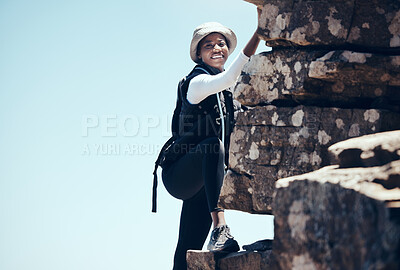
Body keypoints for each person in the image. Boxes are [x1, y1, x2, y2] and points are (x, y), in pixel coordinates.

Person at [160, 10, 261, 270]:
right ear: (199, 54)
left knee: (187, 249)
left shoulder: (232, 95)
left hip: (206, 182)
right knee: (211, 146)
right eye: (208, 45)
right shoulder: (198, 82)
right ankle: (221, 228)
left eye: (221, 43)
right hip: (180, 175)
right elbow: (228, 77)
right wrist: (261, 31)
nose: (217, 48)